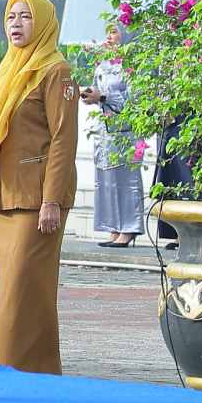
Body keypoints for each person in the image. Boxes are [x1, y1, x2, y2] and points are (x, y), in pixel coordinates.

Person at [0, 0, 77, 375]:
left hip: (35, 205)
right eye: (11, 16)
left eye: (26, 17)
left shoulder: (55, 71)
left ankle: (33, 377)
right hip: (1, 200)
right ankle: (16, 374)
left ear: (45, 22)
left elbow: (64, 140)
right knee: (6, 301)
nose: (16, 24)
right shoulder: (9, 69)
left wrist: (52, 200)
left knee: (23, 300)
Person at [84, 25, 141, 248]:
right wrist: (92, 95)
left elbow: (134, 99)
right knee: (106, 179)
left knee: (126, 178)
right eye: (107, 31)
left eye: (115, 31)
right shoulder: (104, 64)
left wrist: (105, 96)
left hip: (126, 129)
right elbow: (99, 91)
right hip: (104, 128)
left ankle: (129, 228)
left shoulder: (134, 65)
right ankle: (114, 227)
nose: (109, 36)